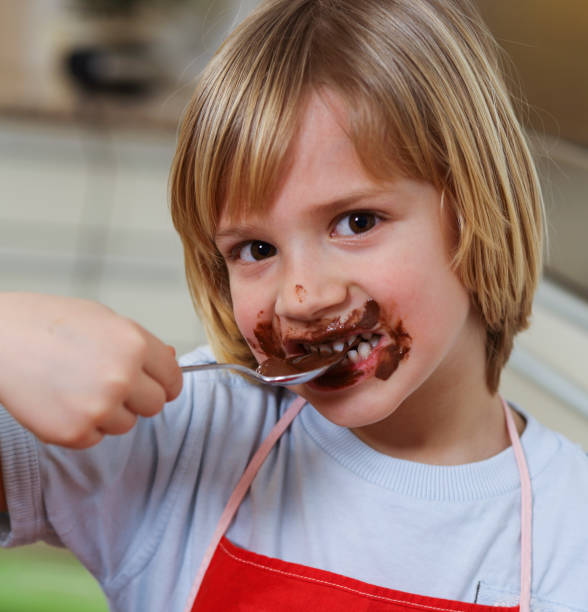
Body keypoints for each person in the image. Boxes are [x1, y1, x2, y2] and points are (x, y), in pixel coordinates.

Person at [1, 0, 587, 610]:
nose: (303, 296)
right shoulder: (181, 442)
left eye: (356, 221)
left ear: (473, 210)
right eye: (256, 248)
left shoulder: (570, 538)